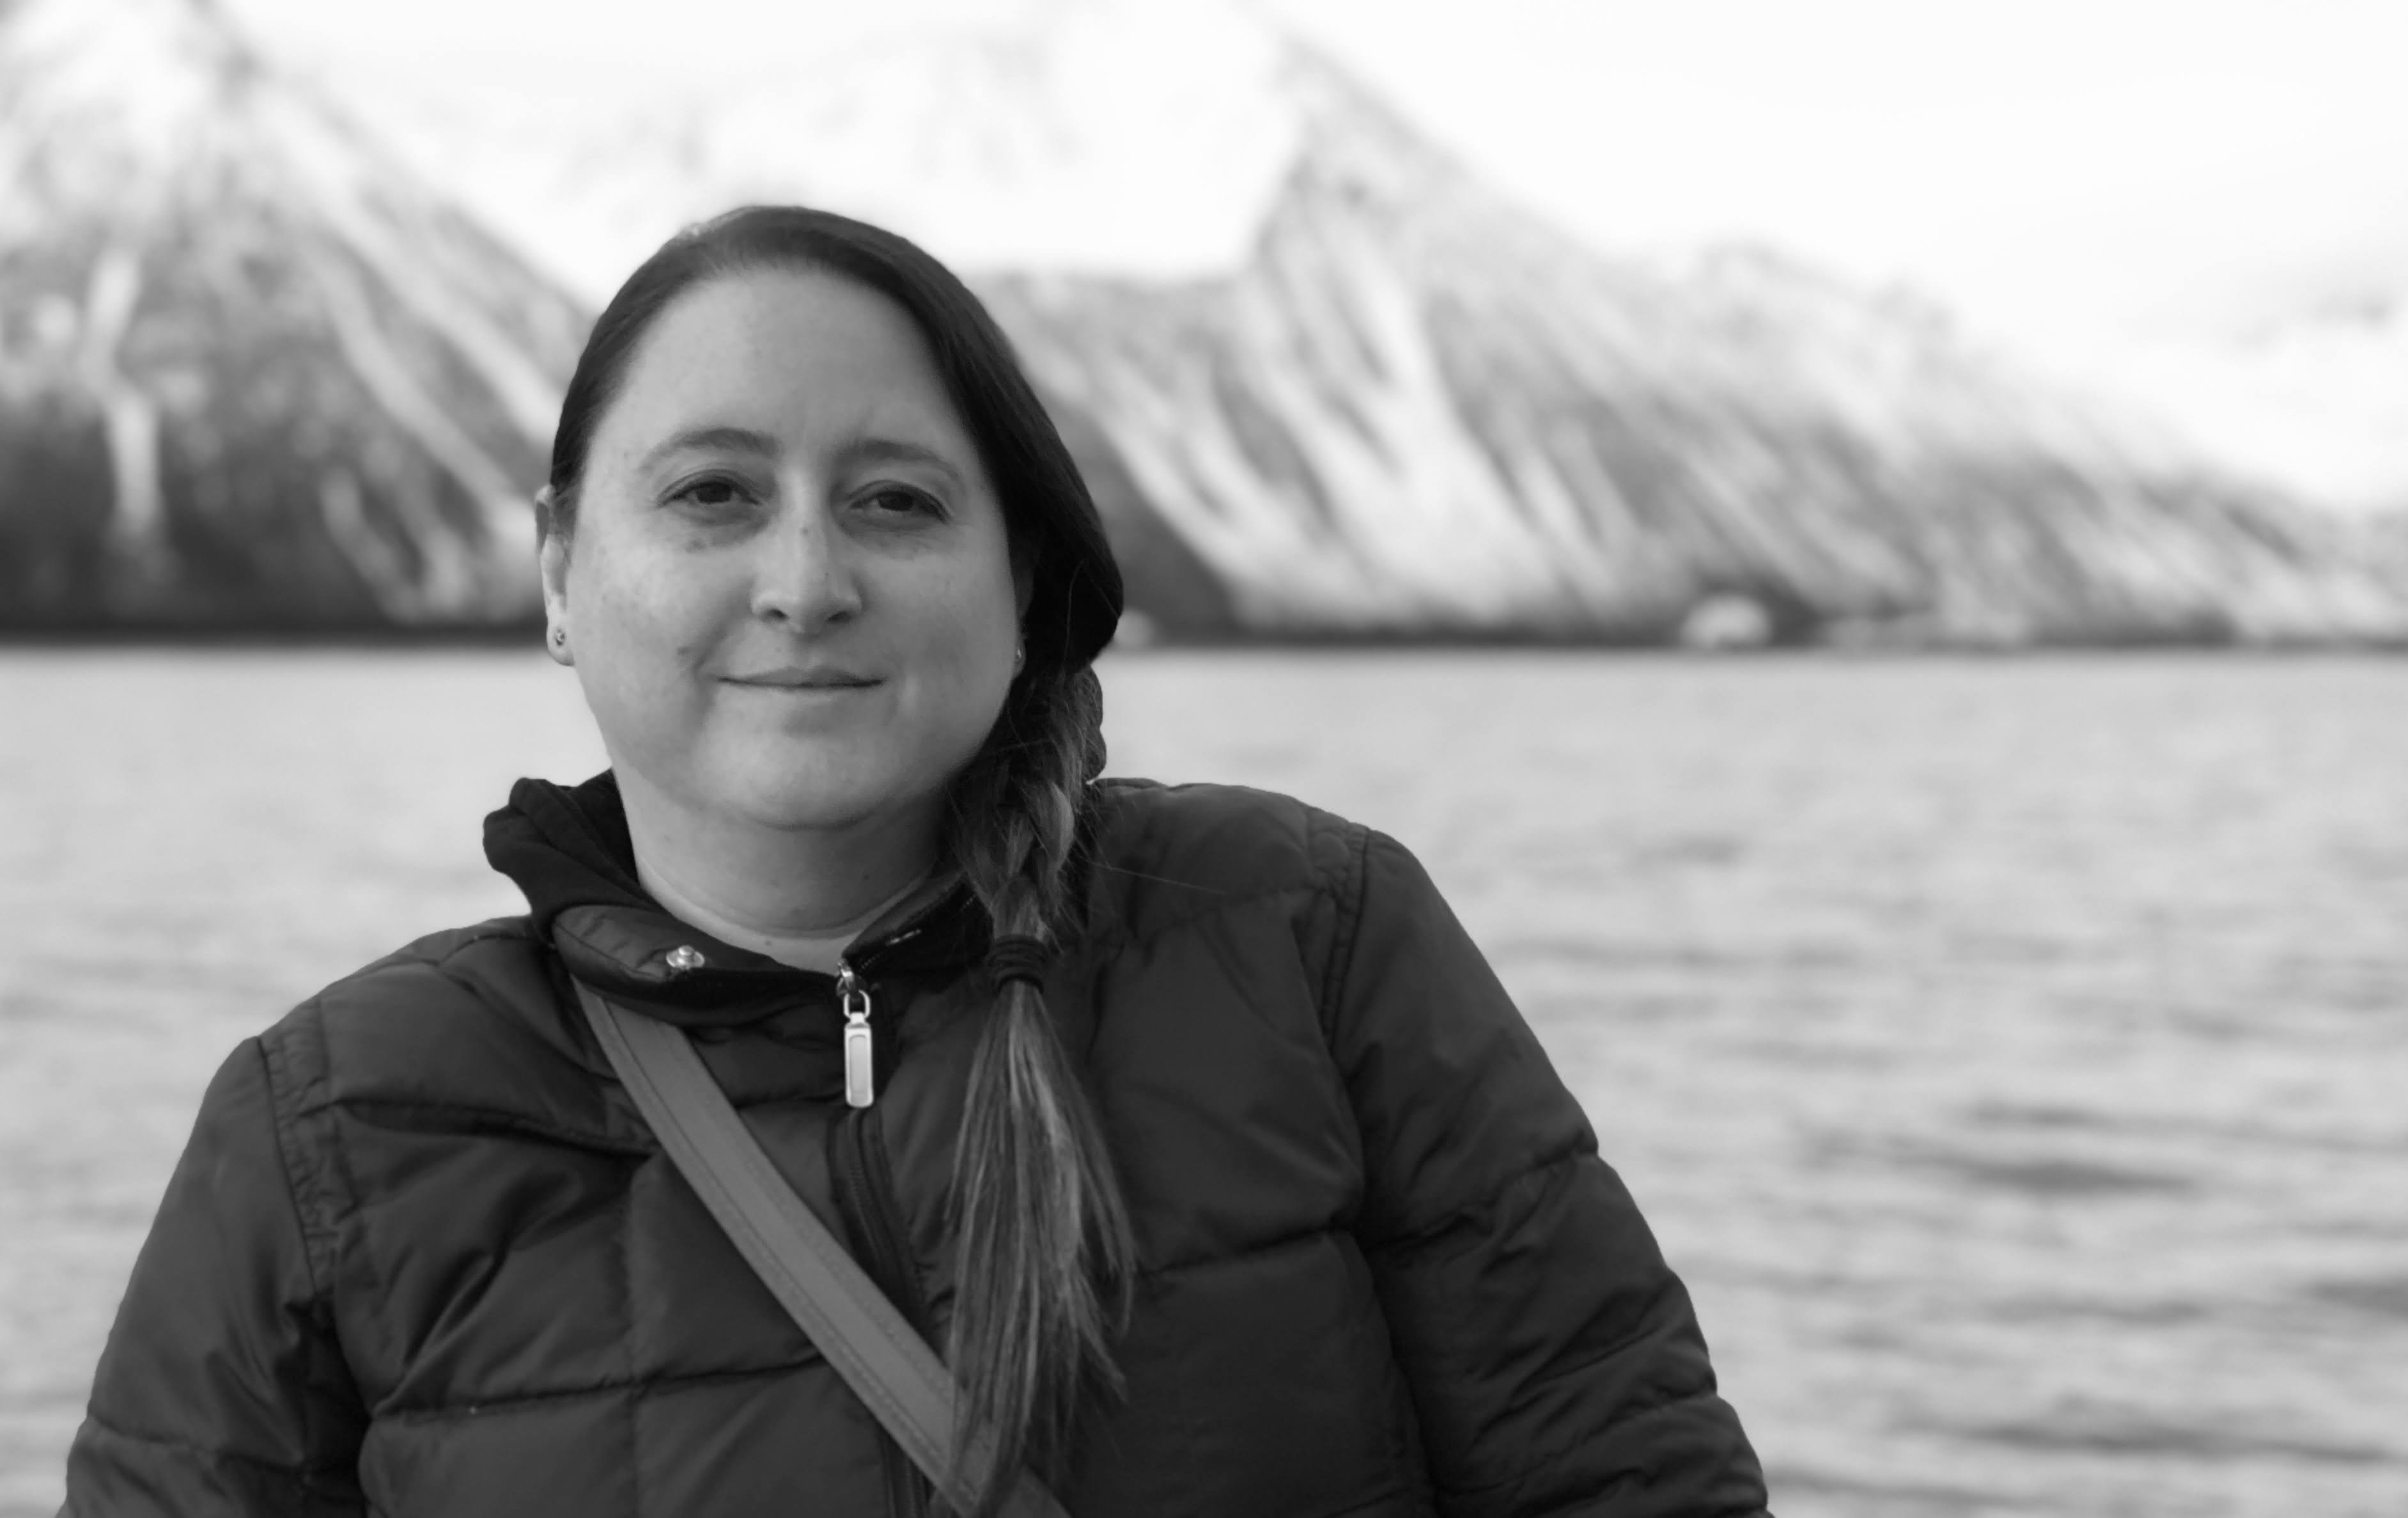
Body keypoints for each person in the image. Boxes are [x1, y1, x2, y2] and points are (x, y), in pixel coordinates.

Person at [59, 206, 1769, 1518]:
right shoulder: (331, 1129)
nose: (806, 580)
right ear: (564, 574)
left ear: (1024, 584)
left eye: (894, 501)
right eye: (714, 495)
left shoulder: (1309, 941)